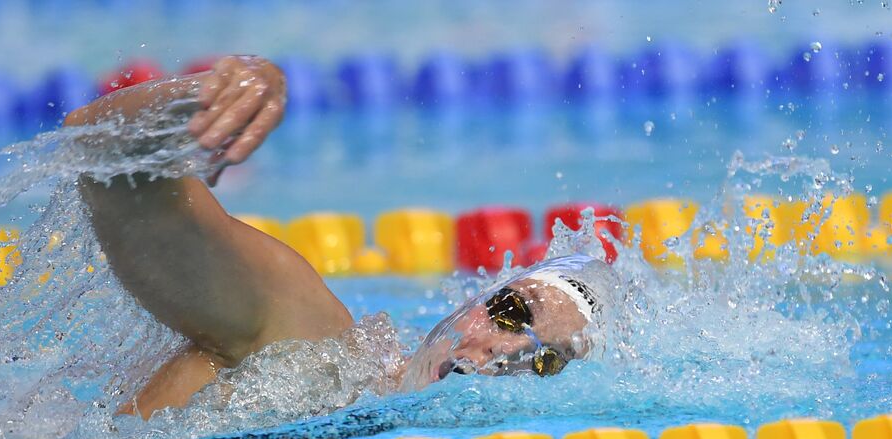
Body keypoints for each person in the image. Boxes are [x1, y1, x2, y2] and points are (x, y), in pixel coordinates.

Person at [65, 54, 614, 419]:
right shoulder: (307, 341)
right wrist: (210, 94)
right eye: (511, 312)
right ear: (471, 297)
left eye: (543, 363)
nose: (502, 351)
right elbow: (102, 154)